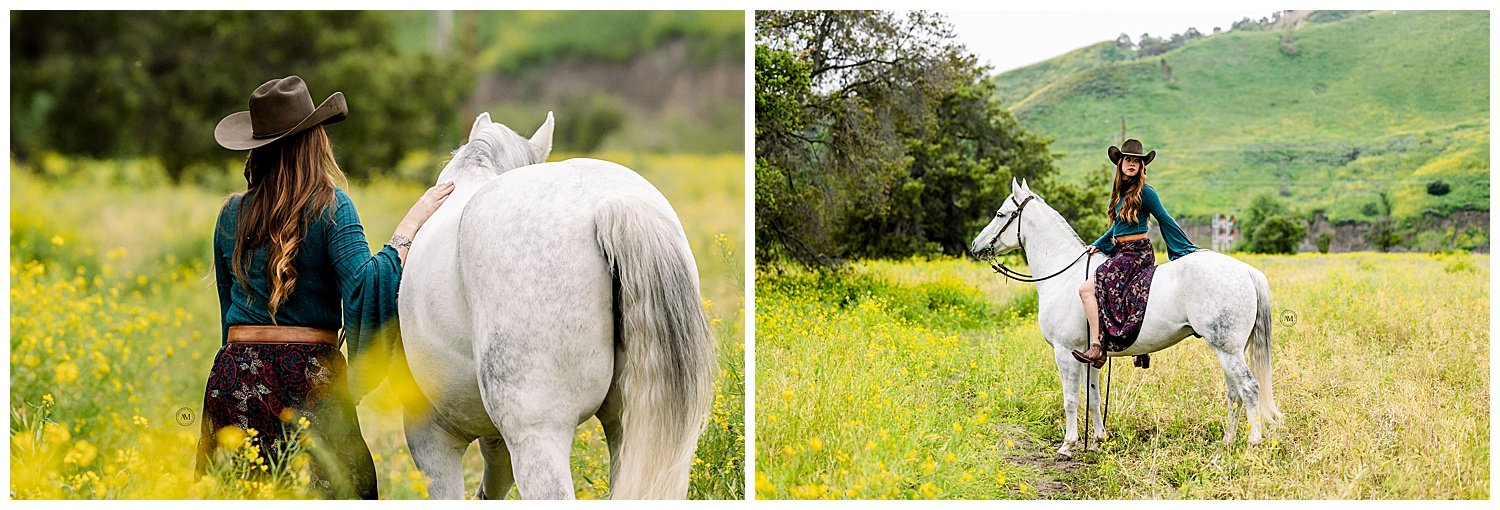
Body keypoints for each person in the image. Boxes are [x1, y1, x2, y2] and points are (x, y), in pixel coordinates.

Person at [195, 75, 455, 498]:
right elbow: (367, 288)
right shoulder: (332, 208)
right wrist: (409, 227)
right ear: (315, 142)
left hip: (234, 376)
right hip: (308, 380)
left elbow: (229, 314)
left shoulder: (230, 214)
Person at [1072, 138, 1203, 368]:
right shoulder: (1121, 194)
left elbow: (1164, 218)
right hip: (1122, 252)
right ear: (1121, 164)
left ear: (1142, 167)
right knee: (1123, 293)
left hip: (1136, 254)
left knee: (1086, 290)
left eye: (1137, 161)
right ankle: (1135, 342)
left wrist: (1185, 248)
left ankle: (1097, 347)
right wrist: (1099, 243)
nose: (1132, 164)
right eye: (1128, 160)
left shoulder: (1146, 192)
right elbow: (1117, 228)